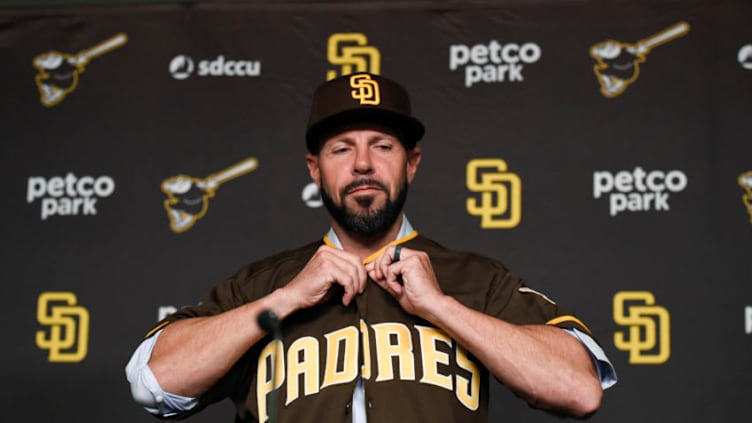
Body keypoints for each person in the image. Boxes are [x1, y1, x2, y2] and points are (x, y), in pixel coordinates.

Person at [125, 72, 617, 422]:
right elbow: (153, 383)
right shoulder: (262, 285)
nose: (363, 163)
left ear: (412, 163)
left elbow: (579, 390)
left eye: (382, 145)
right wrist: (286, 300)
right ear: (315, 168)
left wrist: (440, 307)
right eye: (342, 148)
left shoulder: (476, 279)